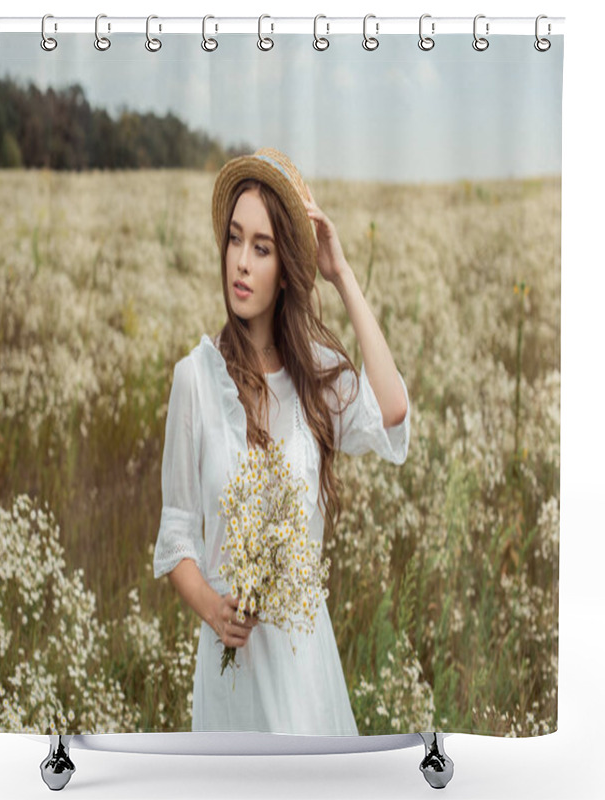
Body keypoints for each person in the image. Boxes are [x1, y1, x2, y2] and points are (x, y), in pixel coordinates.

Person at [152, 148, 411, 735]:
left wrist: (341, 275)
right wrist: (215, 611)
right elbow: (175, 533)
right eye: (235, 240)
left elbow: (393, 410)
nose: (241, 262)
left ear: (286, 266)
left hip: (303, 663)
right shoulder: (194, 378)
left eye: (262, 248)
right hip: (233, 670)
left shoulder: (315, 375)